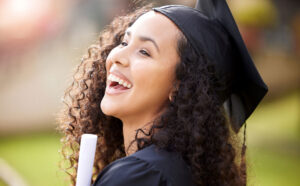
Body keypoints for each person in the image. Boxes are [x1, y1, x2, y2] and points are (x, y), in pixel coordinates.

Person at [58, 0, 268, 185]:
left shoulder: (138, 176)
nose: (118, 56)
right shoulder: (181, 170)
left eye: (144, 51)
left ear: (180, 85)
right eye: (124, 42)